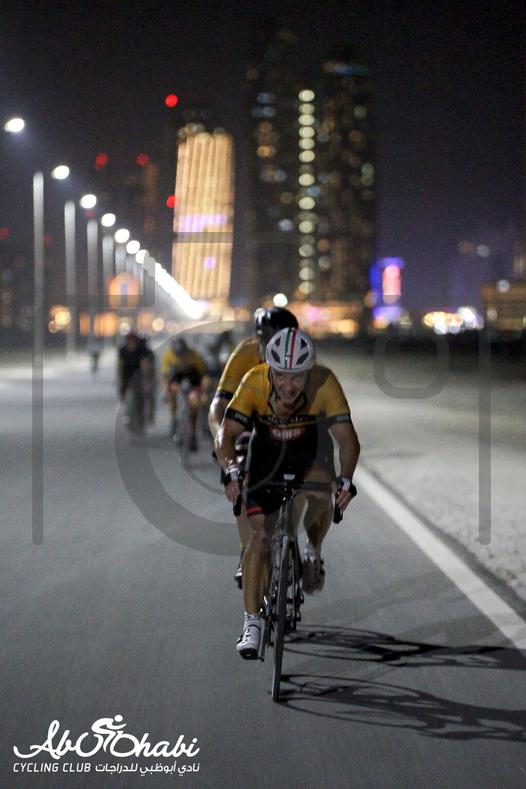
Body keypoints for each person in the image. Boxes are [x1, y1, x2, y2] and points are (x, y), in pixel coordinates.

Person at [215, 328, 360, 658]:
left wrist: (346, 479)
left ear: (309, 371)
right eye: (280, 375)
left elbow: (347, 439)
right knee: (259, 538)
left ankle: (312, 549)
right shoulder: (254, 380)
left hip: (310, 451)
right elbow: (226, 433)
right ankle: (252, 622)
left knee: (322, 495)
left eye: (296, 377)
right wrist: (231, 468)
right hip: (265, 456)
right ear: (270, 369)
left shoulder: (325, 382)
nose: (288, 385)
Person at [208, 307, 299, 586]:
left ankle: (294, 539)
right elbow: (218, 406)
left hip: (288, 423)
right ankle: (246, 550)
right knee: (242, 478)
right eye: (270, 342)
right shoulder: (246, 353)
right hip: (249, 423)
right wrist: (223, 440)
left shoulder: (302, 354)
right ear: (260, 340)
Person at [161, 337, 207, 449]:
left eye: (183, 354)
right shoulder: (170, 356)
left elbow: (202, 374)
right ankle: (174, 419)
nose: (181, 357)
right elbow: (166, 376)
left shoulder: (195, 356)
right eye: (178, 355)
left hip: (194, 380)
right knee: (172, 394)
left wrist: (203, 391)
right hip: (176, 379)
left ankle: (192, 435)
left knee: (194, 407)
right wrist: (168, 390)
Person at [117, 330, 149, 432]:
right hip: (126, 376)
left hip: (138, 377)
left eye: (133, 340)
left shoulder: (141, 349)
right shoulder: (123, 350)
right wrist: (119, 379)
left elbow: (144, 364)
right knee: (124, 395)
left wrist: (145, 380)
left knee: (140, 399)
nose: (131, 342)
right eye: (129, 340)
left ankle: (141, 419)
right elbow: (120, 365)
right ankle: (127, 415)